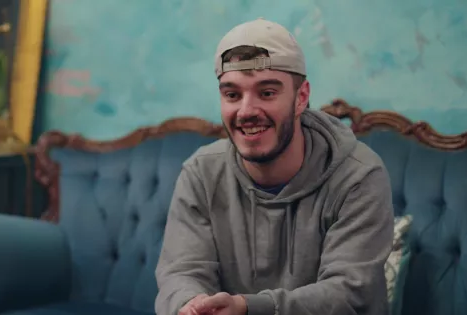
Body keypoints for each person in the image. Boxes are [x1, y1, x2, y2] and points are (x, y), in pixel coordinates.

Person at [155, 18, 394, 315]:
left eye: (267, 93)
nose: (246, 111)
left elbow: (348, 293)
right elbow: (182, 273)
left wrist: (248, 309)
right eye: (232, 95)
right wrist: (189, 306)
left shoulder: (359, 176)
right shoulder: (201, 173)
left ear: (301, 98)